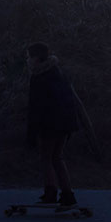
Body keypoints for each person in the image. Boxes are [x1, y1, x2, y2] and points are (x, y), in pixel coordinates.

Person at [25, 42, 82, 206]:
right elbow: (69, 100)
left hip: (49, 124)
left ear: (36, 59)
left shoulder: (38, 77)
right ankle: (67, 194)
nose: (27, 60)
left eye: (29, 57)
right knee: (57, 157)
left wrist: (31, 133)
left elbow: (36, 107)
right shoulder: (58, 72)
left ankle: (50, 192)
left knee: (46, 158)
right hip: (65, 123)